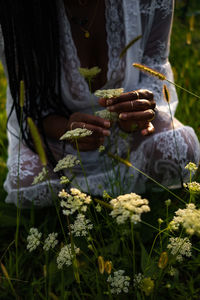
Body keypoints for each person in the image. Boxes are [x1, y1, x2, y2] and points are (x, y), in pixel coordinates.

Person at [0, 0, 199, 208]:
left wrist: (139, 112)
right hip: (58, 139)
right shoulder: (18, 10)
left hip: (132, 137)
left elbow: (155, 68)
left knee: (181, 151)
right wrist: (68, 131)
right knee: (26, 182)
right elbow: (31, 108)